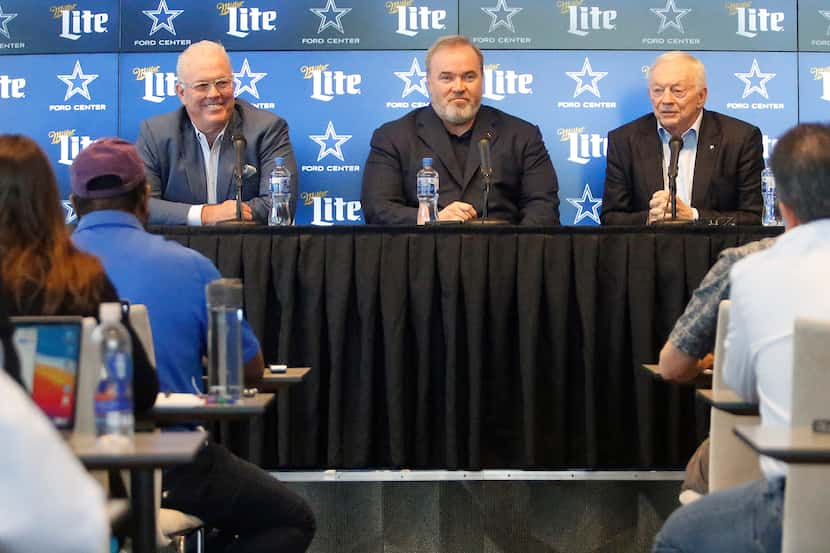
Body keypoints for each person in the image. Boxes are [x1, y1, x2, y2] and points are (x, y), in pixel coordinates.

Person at [70, 138, 316, 553]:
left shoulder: (35, 269)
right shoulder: (191, 266)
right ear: (145, 197)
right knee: (290, 519)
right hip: (168, 463)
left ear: (74, 202)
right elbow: (249, 370)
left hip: (56, 469)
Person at [652, 123, 830, 553]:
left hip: (800, 501)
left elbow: (740, 386)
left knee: (676, 536)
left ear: (782, 204)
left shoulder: (750, 270)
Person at [361, 35, 559, 225]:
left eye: (469, 77)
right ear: (429, 83)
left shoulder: (522, 136)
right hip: (423, 253)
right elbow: (377, 208)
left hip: (502, 253)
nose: (458, 87)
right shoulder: (392, 137)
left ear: (482, 80)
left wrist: (517, 251)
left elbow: (543, 207)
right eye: (447, 78)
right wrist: (431, 219)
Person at [137, 40, 298, 226]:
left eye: (222, 83)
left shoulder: (268, 129)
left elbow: (279, 205)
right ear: (181, 93)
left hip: (247, 250)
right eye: (202, 85)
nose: (214, 93)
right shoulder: (156, 134)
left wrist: (232, 214)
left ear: (233, 86)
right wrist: (205, 215)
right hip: (179, 250)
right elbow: (142, 205)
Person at [601, 51, 763, 226]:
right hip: (650, 250)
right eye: (658, 91)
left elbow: (754, 217)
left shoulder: (740, 139)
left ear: (701, 97)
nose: (666, 100)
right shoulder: (624, 141)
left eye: (677, 91)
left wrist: (694, 215)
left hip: (716, 250)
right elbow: (611, 218)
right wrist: (650, 218)